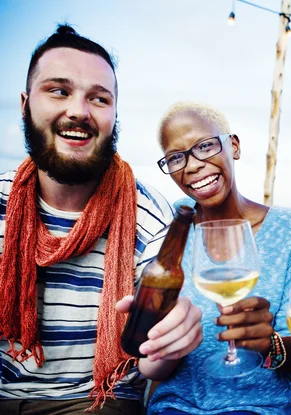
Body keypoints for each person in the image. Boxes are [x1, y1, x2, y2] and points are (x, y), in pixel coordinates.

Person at [0, 25, 201, 414]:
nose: (79, 110)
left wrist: (171, 341)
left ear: (114, 115)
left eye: (99, 98)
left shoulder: (151, 219)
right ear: (24, 104)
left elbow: (150, 362)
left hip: (98, 400)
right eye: (58, 91)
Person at [132, 101, 291, 415]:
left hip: (265, 406)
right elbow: (151, 358)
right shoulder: (174, 229)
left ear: (234, 146)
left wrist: (269, 343)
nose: (192, 165)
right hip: (178, 406)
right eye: (176, 157)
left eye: (204, 146)